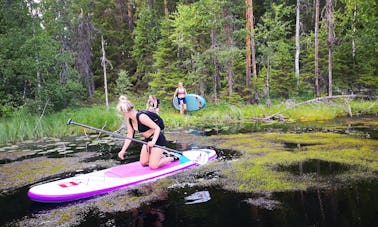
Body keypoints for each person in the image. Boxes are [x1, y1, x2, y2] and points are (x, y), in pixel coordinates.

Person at [116, 95, 176, 169]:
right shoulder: (129, 119)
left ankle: (172, 157)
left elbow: (157, 128)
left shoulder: (141, 117)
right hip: (147, 141)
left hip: (157, 140)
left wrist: (153, 142)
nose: (122, 114)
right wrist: (123, 150)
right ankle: (161, 155)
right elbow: (129, 135)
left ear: (125, 111)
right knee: (143, 163)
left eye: (122, 112)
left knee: (153, 166)